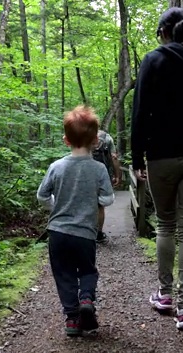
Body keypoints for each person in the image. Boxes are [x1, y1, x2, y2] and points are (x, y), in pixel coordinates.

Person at [130, 7, 183, 331]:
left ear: (163, 32)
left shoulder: (153, 61)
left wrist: (137, 157)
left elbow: (139, 113)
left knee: (166, 225)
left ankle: (164, 295)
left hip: (162, 155)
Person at [37, 105, 115, 337]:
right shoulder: (99, 168)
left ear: (65, 140)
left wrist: (58, 205)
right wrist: (91, 202)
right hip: (85, 233)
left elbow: (42, 196)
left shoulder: (56, 167)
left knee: (64, 274)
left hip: (58, 233)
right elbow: (108, 198)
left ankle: (72, 319)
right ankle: (87, 299)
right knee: (88, 271)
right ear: (95, 141)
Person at [92, 129, 122, 243]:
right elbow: (114, 157)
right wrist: (117, 175)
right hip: (103, 174)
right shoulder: (107, 138)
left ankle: (85, 231)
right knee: (100, 206)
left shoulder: (84, 135)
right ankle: (99, 234)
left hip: (85, 173)